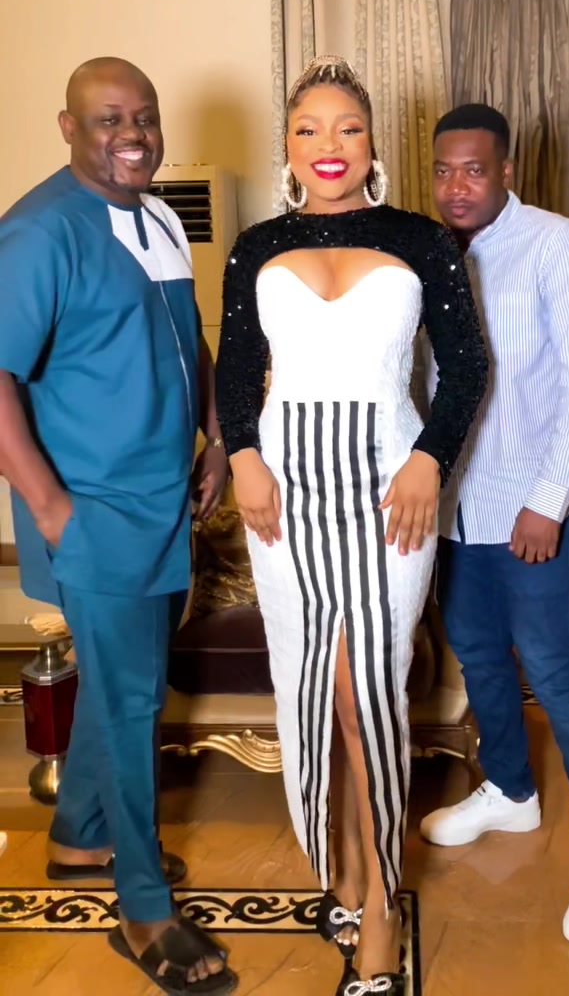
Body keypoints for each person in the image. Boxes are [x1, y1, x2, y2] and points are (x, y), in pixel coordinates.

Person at [215, 56, 487, 995]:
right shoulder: (255, 246)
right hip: (283, 497)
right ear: (287, 147)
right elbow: (235, 367)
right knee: (315, 690)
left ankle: (381, 904)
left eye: (348, 128)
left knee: (366, 690)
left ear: (373, 143)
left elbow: (466, 366)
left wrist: (429, 461)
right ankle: (340, 863)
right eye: (308, 129)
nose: (328, 146)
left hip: (388, 493)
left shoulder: (420, 239)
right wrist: (244, 459)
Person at [0, 58, 238, 994]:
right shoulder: (39, 232)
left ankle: (78, 838)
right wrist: (51, 508)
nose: (132, 134)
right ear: (68, 127)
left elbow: (188, 336)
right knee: (137, 702)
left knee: (123, 683)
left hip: (165, 501)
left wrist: (216, 436)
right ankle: (143, 910)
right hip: (96, 510)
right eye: (108, 119)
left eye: (143, 116)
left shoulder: (160, 216)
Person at [419, 103, 569, 950]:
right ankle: (510, 790)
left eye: (474, 170)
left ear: (507, 171)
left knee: (554, 666)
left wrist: (548, 499)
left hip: (533, 505)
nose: (457, 186)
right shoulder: (430, 255)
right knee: (476, 655)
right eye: (444, 170)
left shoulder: (556, 245)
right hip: (456, 507)